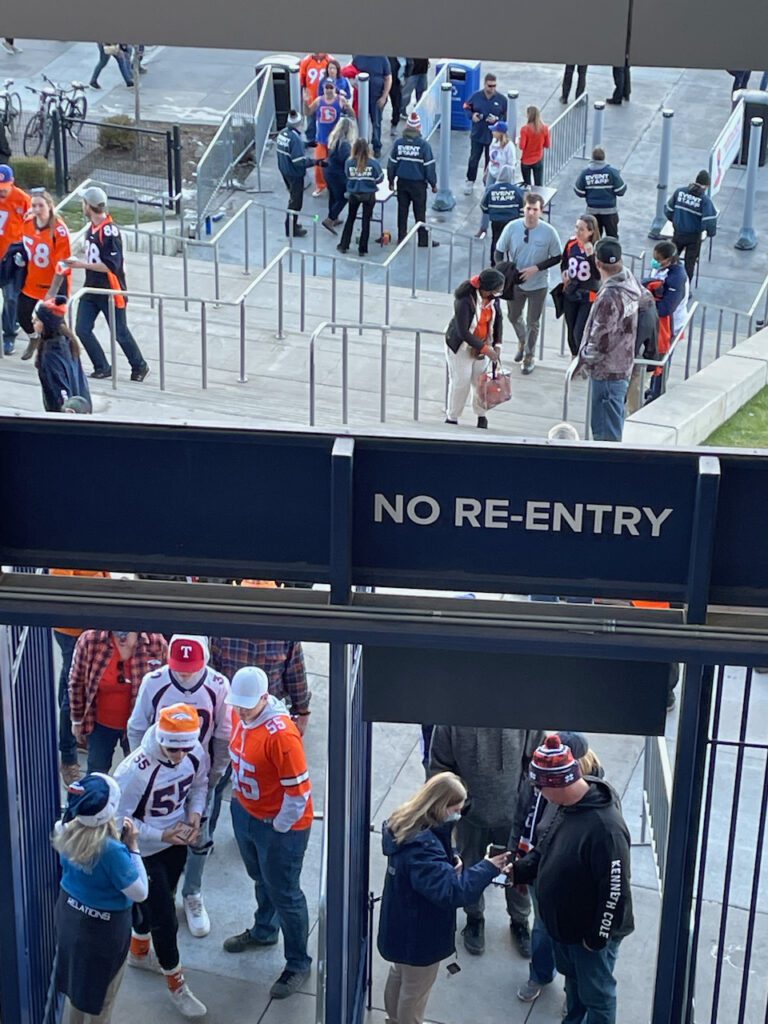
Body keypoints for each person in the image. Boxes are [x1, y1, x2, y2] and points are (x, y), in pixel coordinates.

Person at [507, 734, 634, 1024]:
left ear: (557, 783)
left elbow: (615, 891)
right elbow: (545, 846)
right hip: (564, 927)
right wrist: (520, 869)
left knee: (598, 996)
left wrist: (597, 937)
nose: (538, 792)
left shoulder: (606, 828)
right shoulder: (561, 804)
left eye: (540, 786)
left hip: (588, 936)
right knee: (574, 983)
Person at [377, 772, 509, 1024]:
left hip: (400, 923)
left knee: (399, 975)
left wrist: (452, 858)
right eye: (456, 809)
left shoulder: (406, 824)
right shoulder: (423, 849)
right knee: (416, 991)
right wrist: (487, 867)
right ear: (441, 806)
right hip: (419, 933)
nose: (458, 814)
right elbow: (453, 893)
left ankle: (393, 1019)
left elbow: (438, 853)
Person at [127, 634, 231, 939]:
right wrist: (145, 768)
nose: (184, 672)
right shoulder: (155, 681)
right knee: (151, 832)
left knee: (198, 835)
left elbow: (223, 736)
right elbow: (136, 726)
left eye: (191, 666)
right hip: (158, 774)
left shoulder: (218, 686)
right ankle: (160, 891)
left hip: (199, 774)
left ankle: (192, 892)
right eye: (180, 665)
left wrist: (213, 775)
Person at [223, 666, 314, 1000]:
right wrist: (238, 800)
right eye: (239, 703)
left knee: (285, 892)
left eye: (249, 704)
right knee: (261, 877)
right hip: (248, 811)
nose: (242, 710)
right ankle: (264, 930)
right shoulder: (240, 717)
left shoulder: (282, 735)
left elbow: (298, 793)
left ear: (265, 698)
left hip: (278, 825)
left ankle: (298, 963)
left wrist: (276, 826)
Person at [114, 704, 209, 1018]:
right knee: (165, 919)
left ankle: (139, 951)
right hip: (144, 849)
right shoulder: (134, 769)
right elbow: (118, 821)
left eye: (185, 748)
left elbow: (199, 785)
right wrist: (161, 835)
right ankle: (176, 985)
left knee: (157, 903)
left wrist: (194, 815)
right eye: (173, 748)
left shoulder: (193, 751)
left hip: (175, 842)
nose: (180, 755)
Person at [429, 725, 544, 959]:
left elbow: (535, 758)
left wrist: (523, 797)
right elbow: (439, 767)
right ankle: (474, 918)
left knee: (518, 866)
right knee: (470, 866)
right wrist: (462, 804)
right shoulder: (452, 717)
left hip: (514, 813)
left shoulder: (524, 710)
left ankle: (520, 921)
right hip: (469, 815)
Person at [53, 773, 148, 1024]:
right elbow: (140, 892)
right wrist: (134, 847)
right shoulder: (112, 851)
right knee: (103, 997)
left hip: (69, 916)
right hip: (106, 930)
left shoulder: (64, 829)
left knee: (75, 985)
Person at [511, 733, 598, 1004]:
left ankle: (574, 996)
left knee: (572, 941)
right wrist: (517, 857)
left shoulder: (593, 795)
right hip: (539, 868)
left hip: (571, 881)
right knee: (542, 927)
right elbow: (521, 815)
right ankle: (540, 974)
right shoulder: (537, 781)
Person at [64, 186, 149, 382]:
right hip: (91, 288)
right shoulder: (92, 228)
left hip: (111, 289)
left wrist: (81, 264)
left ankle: (139, 365)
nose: (81, 206)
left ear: (89, 206)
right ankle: (101, 366)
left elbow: (112, 265)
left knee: (120, 332)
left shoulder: (109, 231)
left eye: (83, 203)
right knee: (82, 329)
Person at [68, 628, 167, 774]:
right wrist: (77, 720)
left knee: (140, 775)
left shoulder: (156, 642)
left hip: (140, 727)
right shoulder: (90, 640)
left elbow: (165, 686)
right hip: (100, 725)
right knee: (97, 772)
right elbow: (77, 682)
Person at [577, 236, 642, 442]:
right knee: (613, 426)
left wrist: (583, 361)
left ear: (597, 263)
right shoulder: (630, 280)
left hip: (607, 373)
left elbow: (601, 340)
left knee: (605, 435)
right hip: (623, 365)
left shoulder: (609, 297)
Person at [50, 569, 111, 784]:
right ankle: (68, 756)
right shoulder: (65, 544)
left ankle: (73, 739)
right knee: (73, 689)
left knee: (69, 679)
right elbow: (63, 583)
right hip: (72, 628)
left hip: (88, 622)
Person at [495, 193, 562, 375]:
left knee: (534, 321)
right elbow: (499, 251)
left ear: (541, 211)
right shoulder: (512, 227)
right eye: (528, 209)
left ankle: (529, 355)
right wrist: (504, 271)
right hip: (516, 283)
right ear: (523, 209)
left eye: (535, 209)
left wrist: (536, 268)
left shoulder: (549, 232)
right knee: (513, 316)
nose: (531, 213)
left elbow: (557, 256)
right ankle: (523, 341)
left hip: (538, 284)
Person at [444, 267, 504, 429]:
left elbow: (499, 321)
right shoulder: (464, 300)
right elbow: (463, 332)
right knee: (461, 381)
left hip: (483, 345)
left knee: (480, 382)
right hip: (461, 347)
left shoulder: (493, 299)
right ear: (485, 289)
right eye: (496, 289)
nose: (498, 293)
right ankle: (452, 416)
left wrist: (497, 345)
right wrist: (486, 349)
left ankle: (481, 414)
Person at [18, 190, 71, 360]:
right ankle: (34, 339)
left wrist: (53, 290)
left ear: (50, 206)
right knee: (23, 315)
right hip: (33, 278)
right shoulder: (27, 222)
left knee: (57, 323)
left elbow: (63, 263)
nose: (37, 209)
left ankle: (70, 350)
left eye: (41, 205)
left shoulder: (59, 230)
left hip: (54, 281)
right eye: (34, 205)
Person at [643, 240, 689, 402]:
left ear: (669, 259)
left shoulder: (677, 278)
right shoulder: (662, 269)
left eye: (658, 258)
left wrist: (647, 303)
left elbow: (666, 308)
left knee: (663, 358)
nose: (655, 261)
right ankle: (653, 388)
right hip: (657, 323)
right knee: (656, 356)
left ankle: (657, 391)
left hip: (671, 325)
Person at [33, 297, 92, 413]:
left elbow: (60, 388)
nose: (33, 322)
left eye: (37, 320)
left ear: (46, 324)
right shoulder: (68, 342)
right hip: (81, 404)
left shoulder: (51, 354)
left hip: (66, 413)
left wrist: (65, 411)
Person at [387, 111, 438, 247]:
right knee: (420, 213)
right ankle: (422, 240)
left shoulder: (398, 144)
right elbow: (429, 167)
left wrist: (391, 181)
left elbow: (392, 164)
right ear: (419, 128)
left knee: (402, 211)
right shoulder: (424, 146)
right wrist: (433, 184)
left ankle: (401, 238)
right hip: (418, 185)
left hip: (402, 183)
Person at [664, 169, 719, 281]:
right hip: (693, 237)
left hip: (678, 233)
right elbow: (710, 220)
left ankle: (667, 281)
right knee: (690, 263)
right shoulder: (705, 200)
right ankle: (685, 288)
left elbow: (668, 210)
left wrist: (675, 221)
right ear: (707, 185)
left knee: (671, 259)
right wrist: (710, 233)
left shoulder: (680, 192)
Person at [276, 110, 322, 238]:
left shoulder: (283, 133)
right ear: (298, 124)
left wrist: (307, 144)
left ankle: (292, 225)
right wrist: (316, 162)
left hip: (285, 171)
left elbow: (290, 148)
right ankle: (291, 229)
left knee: (292, 199)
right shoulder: (295, 139)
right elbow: (299, 161)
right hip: (294, 174)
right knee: (295, 203)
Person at [0, 163, 30, 354]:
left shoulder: (22, 200)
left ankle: (9, 334)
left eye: (4, 190)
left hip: (11, 256)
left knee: (11, 297)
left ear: (12, 184)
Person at [561, 215, 600, 357]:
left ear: (591, 232)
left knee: (580, 330)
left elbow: (598, 275)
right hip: (571, 291)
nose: (578, 232)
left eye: (582, 229)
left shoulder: (597, 248)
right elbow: (564, 261)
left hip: (588, 294)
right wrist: (564, 272)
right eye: (577, 228)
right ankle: (574, 357)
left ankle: (582, 358)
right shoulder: (571, 243)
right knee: (571, 329)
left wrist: (591, 256)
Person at [337, 139, 384, 257]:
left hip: (354, 194)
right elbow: (380, 178)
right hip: (368, 195)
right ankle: (362, 249)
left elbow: (347, 176)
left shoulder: (349, 162)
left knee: (351, 218)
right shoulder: (373, 163)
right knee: (366, 221)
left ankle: (344, 245)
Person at [462, 73, 507, 194]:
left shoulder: (502, 100)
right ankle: (470, 181)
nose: (492, 88)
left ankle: (487, 183)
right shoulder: (476, 96)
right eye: (490, 86)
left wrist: (497, 120)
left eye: (494, 86)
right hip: (477, 134)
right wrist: (472, 115)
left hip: (493, 137)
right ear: (485, 84)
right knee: (474, 159)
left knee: (491, 161)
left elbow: (505, 116)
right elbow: (466, 106)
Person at [308, 79, 352, 197]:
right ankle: (320, 185)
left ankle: (339, 185)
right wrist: (305, 102)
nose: (328, 90)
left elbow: (352, 114)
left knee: (338, 163)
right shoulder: (319, 100)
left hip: (336, 140)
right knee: (319, 163)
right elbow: (308, 112)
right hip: (322, 138)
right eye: (326, 87)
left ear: (335, 88)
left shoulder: (340, 100)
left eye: (331, 87)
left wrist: (348, 106)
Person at [573, 147, 627, 238]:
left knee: (594, 238)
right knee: (612, 237)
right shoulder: (612, 172)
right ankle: (612, 251)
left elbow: (578, 191)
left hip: (592, 211)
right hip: (610, 211)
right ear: (604, 157)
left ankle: (594, 252)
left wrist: (589, 194)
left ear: (592, 158)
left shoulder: (585, 173)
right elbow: (621, 191)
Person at [478, 166, 525, 262]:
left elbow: (483, 206)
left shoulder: (491, 189)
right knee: (511, 242)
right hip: (511, 221)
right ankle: (510, 264)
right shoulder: (517, 190)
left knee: (496, 240)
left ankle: (494, 262)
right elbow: (522, 208)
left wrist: (491, 212)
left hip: (496, 221)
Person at [350, 54, 392, 157]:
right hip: (361, 97)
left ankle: (376, 146)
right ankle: (361, 146)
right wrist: (352, 82)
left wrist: (384, 96)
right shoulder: (358, 57)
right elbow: (350, 71)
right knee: (360, 122)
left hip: (377, 98)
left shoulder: (382, 58)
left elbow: (388, 78)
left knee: (376, 123)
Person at [322, 116, 357, 233]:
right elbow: (347, 161)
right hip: (338, 174)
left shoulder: (334, 139)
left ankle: (333, 217)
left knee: (332, 195)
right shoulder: (345, 145)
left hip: (328, 171)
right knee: (343, 197)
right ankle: (330, 219)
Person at [299, 52, 332, 146]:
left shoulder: (329, 60)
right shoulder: (306, 61)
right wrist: (305, 92)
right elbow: (302, 79)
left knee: (327, 118)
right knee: (310, 119)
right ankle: (311, 139)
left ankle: (326, 139)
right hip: (311, 96)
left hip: (326, 97)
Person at [518, 107, 550, 187]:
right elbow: (547, 145)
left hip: (526, 160)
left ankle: (529, 199)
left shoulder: (524, 129)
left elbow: (522, 146)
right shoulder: (545, 128)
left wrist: (519, 140)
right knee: (539, 185)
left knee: (527, 186)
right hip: (538, 159)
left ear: (528, 115)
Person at [388, 57, 405, 134]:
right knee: (396, 104)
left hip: (394, 82)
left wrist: (401, 79)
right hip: (386, 79)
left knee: (397, 104)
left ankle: (394, 124)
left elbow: (404, 64)